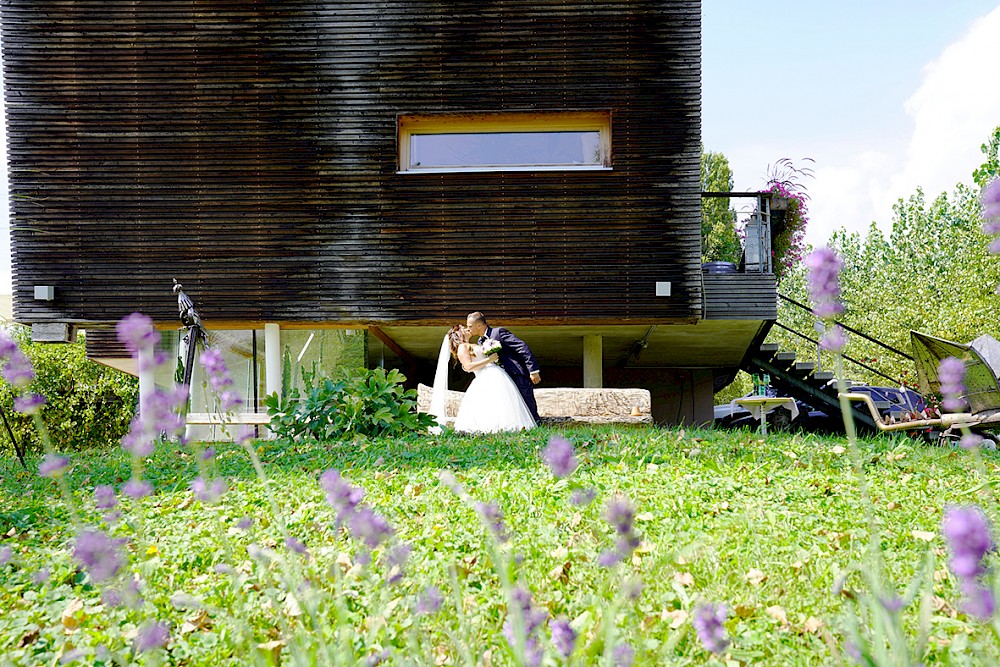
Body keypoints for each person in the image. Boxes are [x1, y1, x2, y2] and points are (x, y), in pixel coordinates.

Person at [431, 325, 536, 434]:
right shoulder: (462, 347)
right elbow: (468, 366)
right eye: (463, 328)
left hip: (496, 375)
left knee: (501, 401)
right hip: (485, 377)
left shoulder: (473, 344)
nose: (466, 328)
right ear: (458, 334)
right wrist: (489, 360)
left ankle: (508, 427)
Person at [466, 311, 542, 424]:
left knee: (527, 403)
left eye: (470, 326)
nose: (468, 329)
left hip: (517, 375)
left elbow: (522, 347)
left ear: (479, 325)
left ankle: (538, 427)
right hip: (502, 380)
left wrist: (533, 370)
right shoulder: (480, 341)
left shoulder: (499, 332)